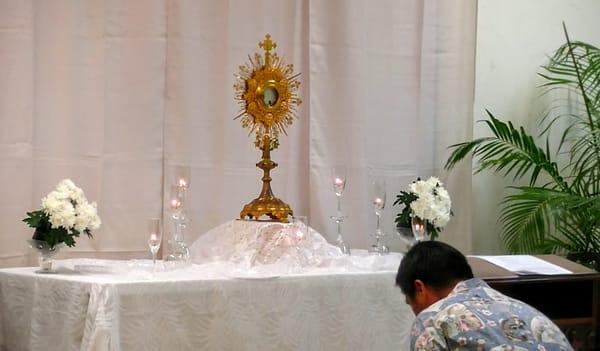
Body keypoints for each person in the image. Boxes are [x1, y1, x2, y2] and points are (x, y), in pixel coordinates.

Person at [396, 241, 573, 351]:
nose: (415, 311)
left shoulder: (431, 320)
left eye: (410, 303)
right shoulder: (529, 312)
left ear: (419, 288)